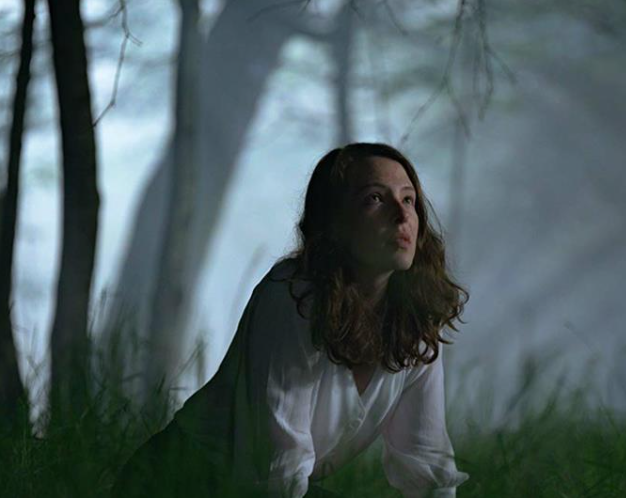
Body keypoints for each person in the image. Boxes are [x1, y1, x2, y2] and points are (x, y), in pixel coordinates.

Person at [114, 143, 469, 497]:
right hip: (175, 481)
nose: (402, 216)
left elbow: (426, 463)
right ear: (335, 220)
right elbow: (278, 467)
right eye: (375, 198)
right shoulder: (293, 296)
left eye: (408, 200)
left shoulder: (415, 320)